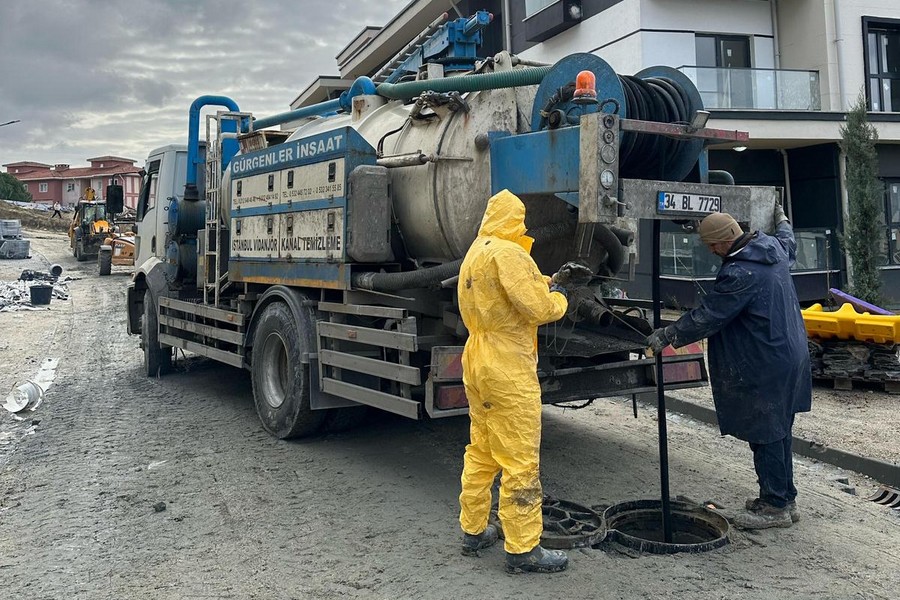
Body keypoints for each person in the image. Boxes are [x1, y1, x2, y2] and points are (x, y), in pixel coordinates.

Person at [647, 205, 812, 530]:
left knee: (766, 433)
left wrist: (668, 334)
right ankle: (783, 498)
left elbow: (710, 315)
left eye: (711, 245)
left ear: (724, 241)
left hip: (765, 361)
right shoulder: (772, 250)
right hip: (790, 354)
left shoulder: (740, 273)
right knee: (780, 430)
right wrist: (782, 219)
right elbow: (787, 239)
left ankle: (775, 506)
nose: (710, 251)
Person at [457, 189, 570, 573]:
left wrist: (549, 278)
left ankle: (473, 530)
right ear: (516, 220)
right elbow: (536, 307)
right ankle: (523, 549)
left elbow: (512, 288)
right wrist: (562, 297)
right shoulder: (509, 253)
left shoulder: (477, 251)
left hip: (476, 357)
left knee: (482, 450)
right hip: (507, 365)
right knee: (520, 458)